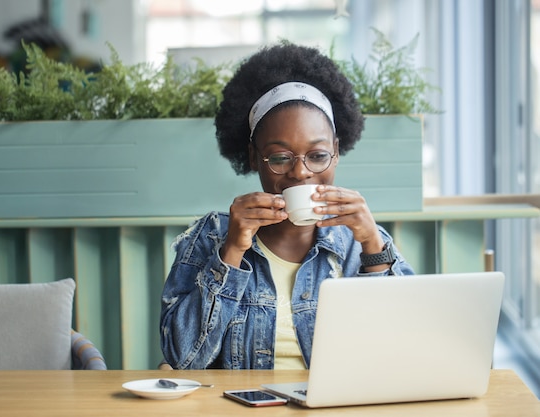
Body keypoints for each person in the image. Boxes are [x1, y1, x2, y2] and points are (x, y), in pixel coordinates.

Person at [160, 42, 414, 370]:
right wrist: (232, 251)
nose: (300, 172)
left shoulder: (360, 242)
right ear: (254, 156)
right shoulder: (211, 237)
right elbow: (182, 360)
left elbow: (400, 351)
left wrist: (372, 247)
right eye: (280, 157)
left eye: (318, 155)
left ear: (336, 151)